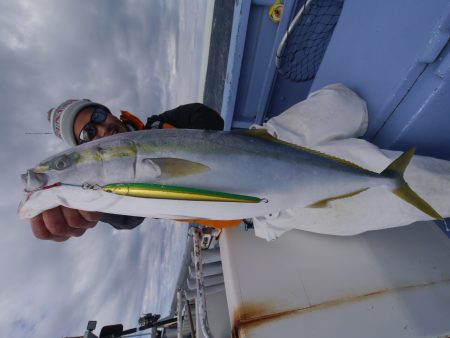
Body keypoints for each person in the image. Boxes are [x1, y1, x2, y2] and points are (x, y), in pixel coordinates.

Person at [30, 99, 224, 241]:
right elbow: (128, 219)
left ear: (108, 112)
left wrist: (178, 150)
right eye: (87, 133)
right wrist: (95, 204)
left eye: (98, 116)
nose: (101, 129)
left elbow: (206, 116)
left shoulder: (159, 125)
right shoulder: (113, 187)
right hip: (227, 216)